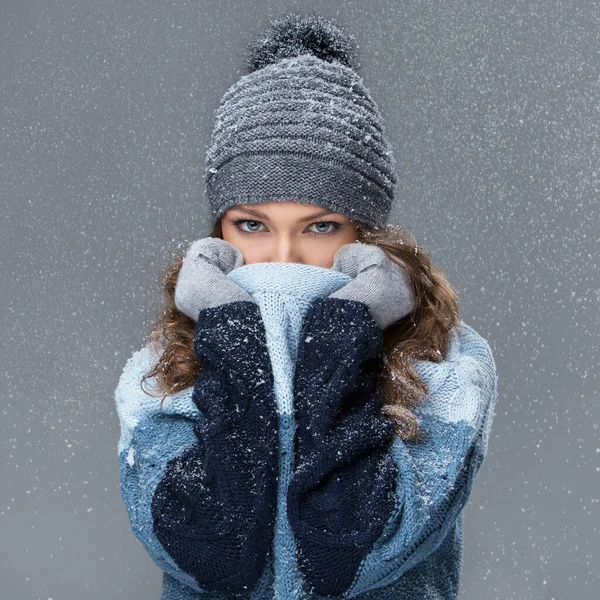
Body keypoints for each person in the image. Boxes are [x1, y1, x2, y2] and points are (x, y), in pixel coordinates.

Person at [114, 12, 498, 600]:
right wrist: (236, 342)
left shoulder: (447, 364)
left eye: (320, 225)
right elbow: (209, 554)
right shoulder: (161, 369)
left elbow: (354, 553)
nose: (283, 256)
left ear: (366, 237)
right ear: (219, 234)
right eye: (252, 224)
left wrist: (341, 336)